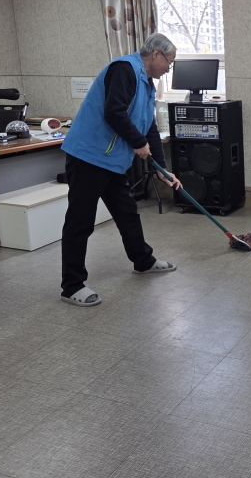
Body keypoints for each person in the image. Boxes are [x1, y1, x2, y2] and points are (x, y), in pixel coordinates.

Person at [59, 32, 182, 307]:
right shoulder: (124, 70)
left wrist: (161, 169)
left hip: (112, 160)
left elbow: (148, 126)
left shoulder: (147, 84)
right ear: (156, 55)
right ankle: (72, 285)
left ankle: (143, 260)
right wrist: (137, 143)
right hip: (89, 157)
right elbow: (113, 112)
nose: (169, 69)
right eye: (169, 63)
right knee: (81, 221)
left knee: (127, 212)